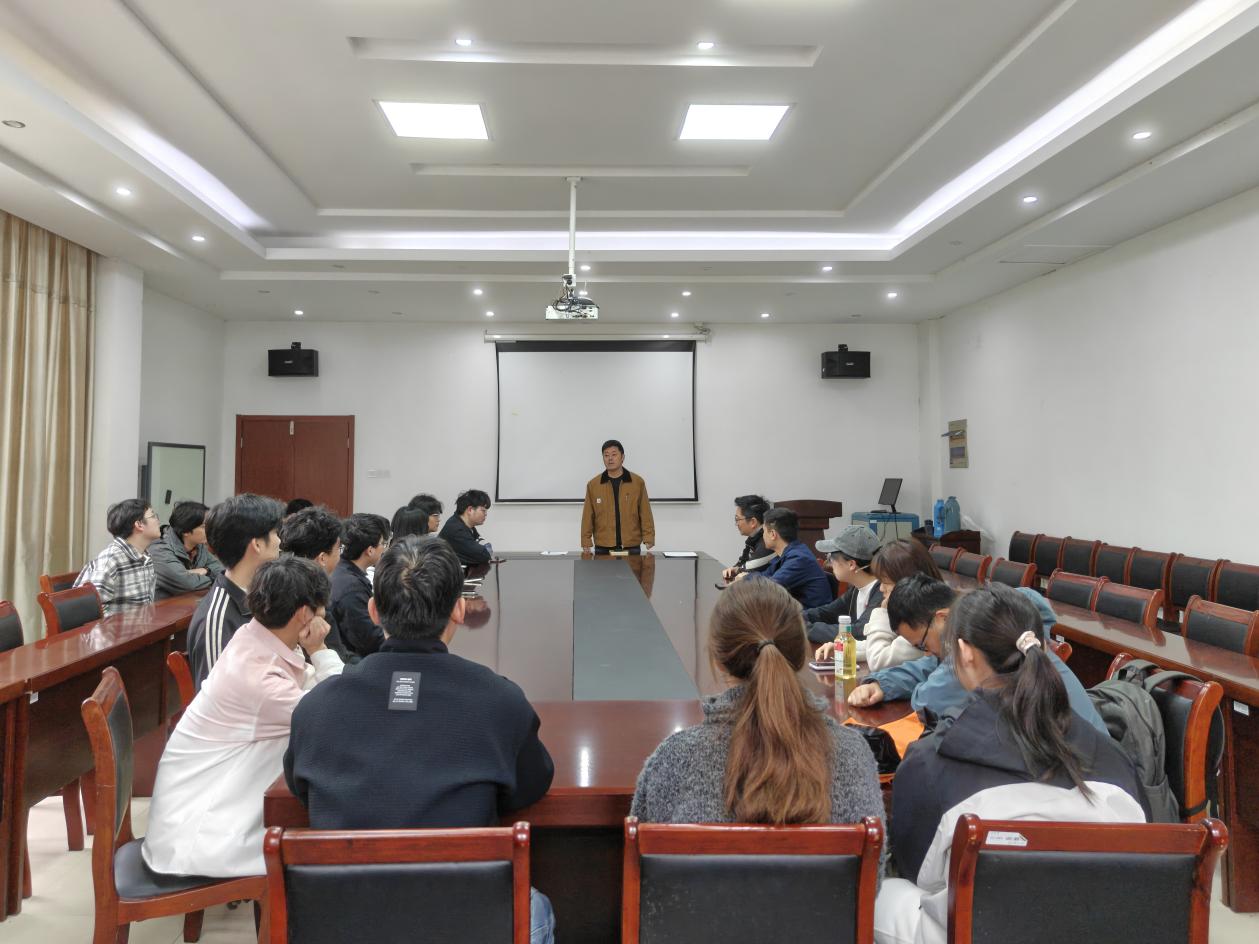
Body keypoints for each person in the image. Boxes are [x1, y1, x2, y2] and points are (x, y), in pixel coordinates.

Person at [285, 536, 556, 943]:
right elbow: (532, 784)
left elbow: (300, 789)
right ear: (459, 609)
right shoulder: (499, 700)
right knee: (538, 907)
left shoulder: (317, 706)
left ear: (374, 611)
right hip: (464, 924)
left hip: (342, 925)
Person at [873, 585, 1148, 944]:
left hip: (983, 930)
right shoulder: (1115, 760)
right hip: (1099, 925)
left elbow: (916, 866)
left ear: (965, 654)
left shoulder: (931, 763)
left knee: (883, 892)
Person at [631, 579, 885, 840]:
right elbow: (874, 861)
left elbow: (645, 859)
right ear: (799, 655)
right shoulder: (853, 754)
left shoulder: (674, 758)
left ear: (718, 660)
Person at [143, 557, 343, 879]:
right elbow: (336, 712)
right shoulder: (259, 677)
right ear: (305, 614)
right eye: (321, 610)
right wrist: (319, 649)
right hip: (199, 835)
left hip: (200, 807)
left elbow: (320, 691)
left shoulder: (253, 636)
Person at [846, 575, 1108, 734]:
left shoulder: (982, 648)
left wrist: (906, 685)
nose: (927, 652)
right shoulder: (997, 626)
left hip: (1085, 786)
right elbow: (933, 664)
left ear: (942, 618)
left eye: (922, 644)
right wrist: (883, 683)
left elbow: (927, 702)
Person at [186, 494, 284, 689]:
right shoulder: (217, 619)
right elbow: (215, 699)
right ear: (257, 544)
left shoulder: (261, 595)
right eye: (275, 533)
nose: (280, 541)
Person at [814, 539, 942, 671]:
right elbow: (882, 647)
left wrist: (883, 611)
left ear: (907, 582)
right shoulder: (914, 610)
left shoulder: (922, 623)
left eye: (886, 583)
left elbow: (878, 660)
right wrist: (844, 649)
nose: (881, 589)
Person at [279, 506, 354, 663]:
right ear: (322, 558)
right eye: (339, 548)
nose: (340, 555)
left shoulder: (275, 588)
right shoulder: (313, 606)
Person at [74, 498, 160, 614]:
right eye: (153, 516)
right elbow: (88, 611)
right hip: (115, 626)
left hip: (143, 625)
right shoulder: (110, 559)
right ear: (139, 525)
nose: (158, 520)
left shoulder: (145, 557)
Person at [802, 525, 883, 645]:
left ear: (851, 564)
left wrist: (806, 629)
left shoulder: (883, 591)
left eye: (831, 557)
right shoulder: (857, 589)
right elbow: (827, 612)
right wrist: (796, 617)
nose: (829, 563)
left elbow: (860, 632)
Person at [737, 507, 831, 609]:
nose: (763, 536)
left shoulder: (799, 559)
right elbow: (766, 575)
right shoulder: (789, 554)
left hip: (809, 617)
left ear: (773, 534)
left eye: (764, 531)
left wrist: (745, 578)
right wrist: (747, 577)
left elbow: (770, 587)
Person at [329, 512, 390, 658]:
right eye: (383, 544)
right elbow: (370, 640)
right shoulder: (351, 588)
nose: (384, 549)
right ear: (370, 550)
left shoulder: (343, 570)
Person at [580, 439, 655, 554]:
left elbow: (645, 512)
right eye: (606, 455)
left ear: (622, 457)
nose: (610, 458)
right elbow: (587, 516)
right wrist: (586, 541)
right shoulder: (593, 485)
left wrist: (649, 537)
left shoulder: (637, 482)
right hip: (603, 546)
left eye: (614, 454)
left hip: (631, 546)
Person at [149, 500, 224, 599]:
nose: (210, 530)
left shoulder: (198, 546)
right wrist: (213, 577)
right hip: (163, 607)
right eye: (204, 526)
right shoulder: (160, 549)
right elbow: (187, 584)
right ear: (186, 531)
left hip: (189, 604)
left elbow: (222, 571)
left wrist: (206, 570)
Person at [721, 494, 774, 580]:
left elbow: (751, 568)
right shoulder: (753, 538)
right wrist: (733, 569)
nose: (736, 524)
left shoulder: (768, 541)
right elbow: (742, 562)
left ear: (753, 522)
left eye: (737, 519)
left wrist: (738, 570)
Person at [439, 489, 494, 565]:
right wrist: (484, 549)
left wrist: (484, 549)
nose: (486, 514)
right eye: (483, 510)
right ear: (470, 510)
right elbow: (484, 555)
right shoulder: (456, 529)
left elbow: (483, 545)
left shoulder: (466, 525)